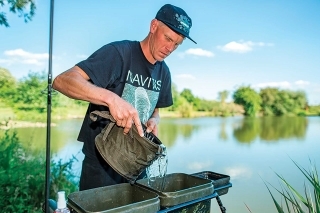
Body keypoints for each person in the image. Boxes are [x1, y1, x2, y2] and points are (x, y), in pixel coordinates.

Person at [52, 4, 196, 191]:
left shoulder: (164, 71)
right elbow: (62, 81)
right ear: (153, 26)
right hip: (102, 162)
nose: (170, 48)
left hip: (137, 163)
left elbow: (156, 109)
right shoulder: (119, 53)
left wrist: (154, 119)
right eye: (167, 38)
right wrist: (111, 99)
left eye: (177, 44)